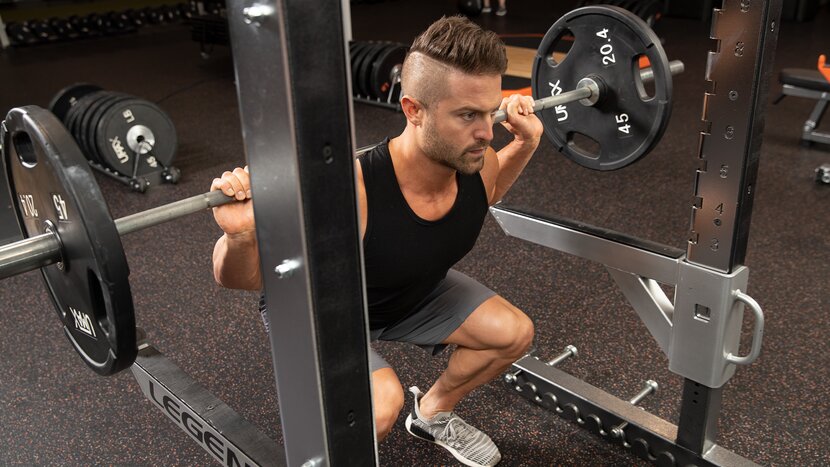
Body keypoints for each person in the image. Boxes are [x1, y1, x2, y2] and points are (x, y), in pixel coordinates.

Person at [211, 16, 542, 467]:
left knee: (513, 333)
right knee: (377, 403)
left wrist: (522, 146)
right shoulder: (350, 188)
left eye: (490, 110)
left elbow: (487, 194)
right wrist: (242, 233)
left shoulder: (476, 163)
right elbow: (244, 279)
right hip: (320, 311)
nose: (486, 131)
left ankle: (432, 413)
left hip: (408, 293)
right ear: (413, 110)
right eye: (467, 115)